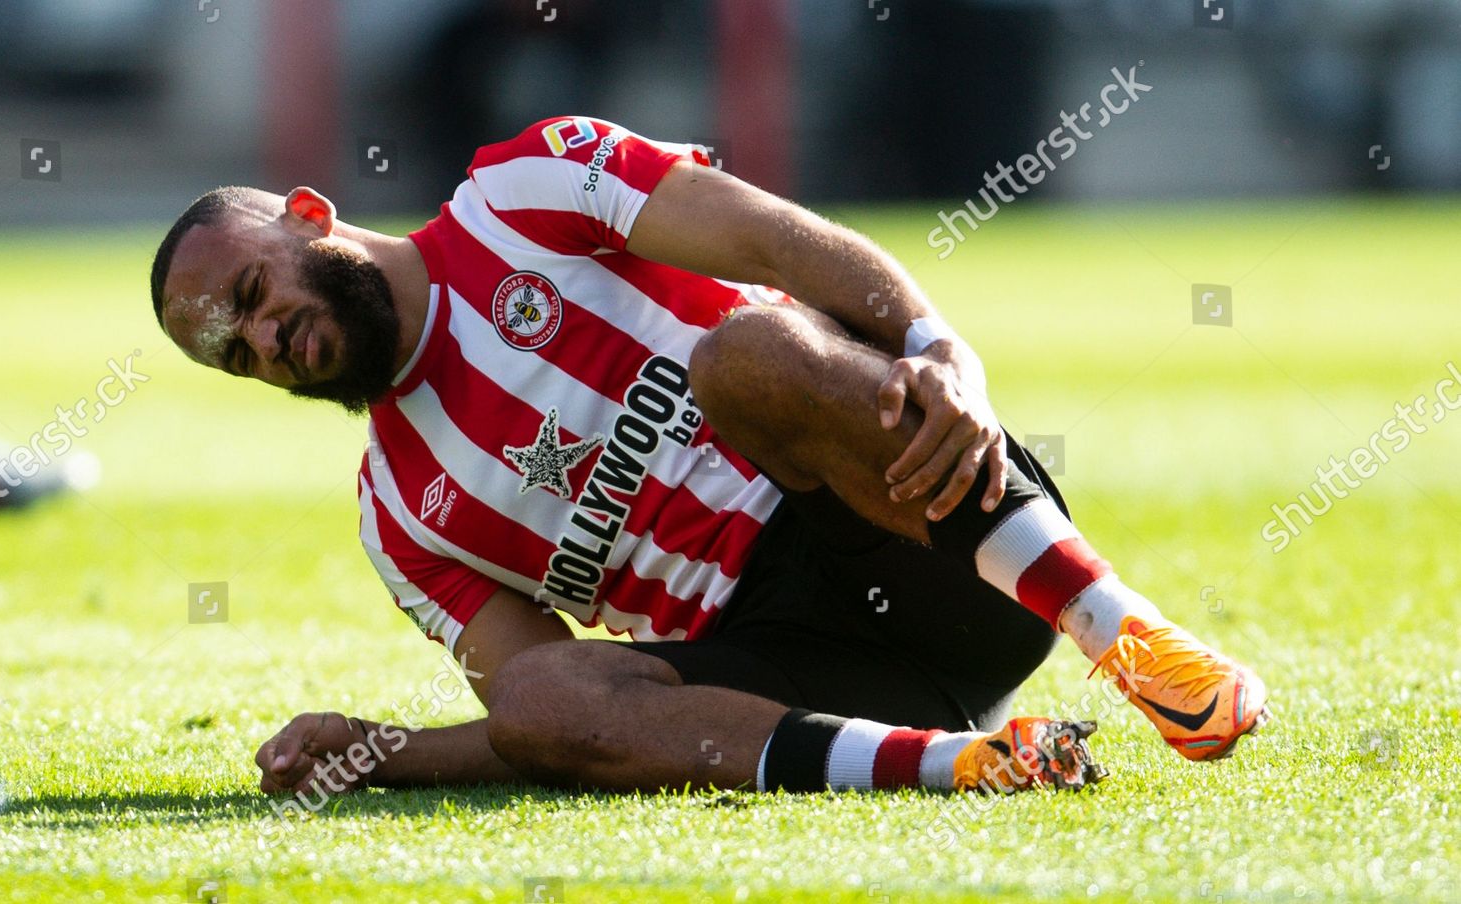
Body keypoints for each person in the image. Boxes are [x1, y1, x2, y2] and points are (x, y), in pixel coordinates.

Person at [149, 116, 1266, 797]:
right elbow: (559, 719)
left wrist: (941, 353)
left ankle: (1131, 637)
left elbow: (777, 239)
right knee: (536, 691)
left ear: (308, 215)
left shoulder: (524, 187)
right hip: (792, 668)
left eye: (253, 294)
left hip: (927, 521)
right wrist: (381, 751)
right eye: (236, 355)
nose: (266, 340)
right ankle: (968, 764)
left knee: (746, 350)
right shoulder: (399, 515)